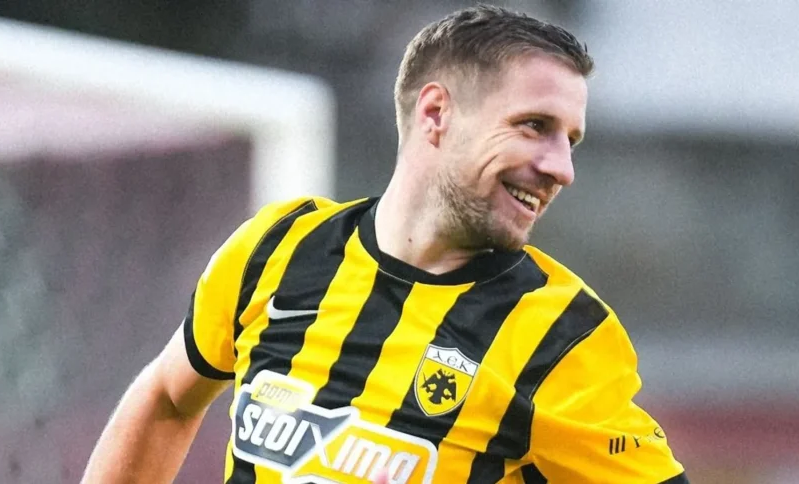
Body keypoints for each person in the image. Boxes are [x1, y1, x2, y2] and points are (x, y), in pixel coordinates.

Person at [82, 5, 688, 483]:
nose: (561, 168)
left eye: (570, 140)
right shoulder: (280, 248)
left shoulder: (561, 335)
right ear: (436, 113)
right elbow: (167, 396)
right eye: (535, 126)